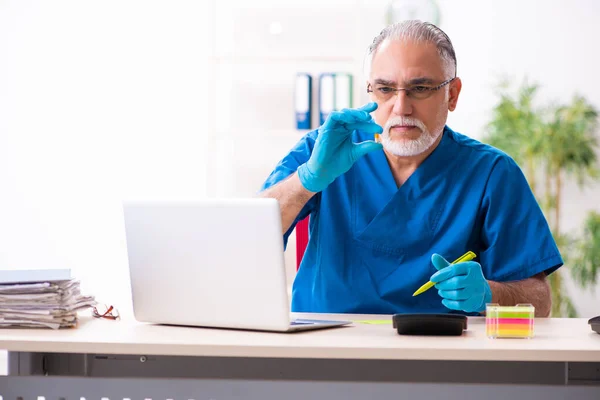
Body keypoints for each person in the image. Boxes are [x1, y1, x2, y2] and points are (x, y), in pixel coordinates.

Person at [259, 20, 562, 317]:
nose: (401, 107)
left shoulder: (491, 174)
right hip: (325, 349)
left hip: (438, 355)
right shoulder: (326, 149)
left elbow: (540, 300)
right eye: (385, 89)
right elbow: (250, 237)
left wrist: (489, 294)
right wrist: (306, 181)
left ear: (452, 95)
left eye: (419, 88)